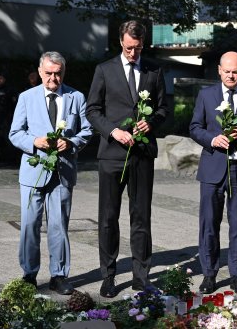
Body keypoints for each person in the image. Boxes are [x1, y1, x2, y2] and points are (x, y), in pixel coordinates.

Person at [86, 20, 169, 298]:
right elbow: (93, 110)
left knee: (141, 217)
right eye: (129, 47)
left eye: (139, 48)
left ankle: (141, 276)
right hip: (111, 155)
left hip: (142, 156)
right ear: (120, 42)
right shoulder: (104, 70)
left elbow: (163, 108)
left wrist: (152, 123)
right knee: (108, 217)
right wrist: (114, 131)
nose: (134, 53)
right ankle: (108, 275)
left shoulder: (154, 70)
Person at [8, 51, 92, 295]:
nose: (53, 78)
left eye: (58, 73)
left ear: (63, 72)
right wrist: (35, 141)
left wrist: (73, 142)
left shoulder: (76, 97)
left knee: (59, 225)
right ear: (40, 71)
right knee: (29, 225)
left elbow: (87, 131)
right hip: (33, 171)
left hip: (63, 171)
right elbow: (15, 133)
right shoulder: (26, 97)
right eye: (48, 73)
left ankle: (59, 275)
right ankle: (29, 274)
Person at [189, 51, 237, 295]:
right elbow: (194, 127)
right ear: (219, 71)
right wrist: (212, 140)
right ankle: (210, 274)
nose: (231, 75)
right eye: (227, 71)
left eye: (236, 71)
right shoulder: (206, 95)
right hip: (212, 167)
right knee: (209, 224)